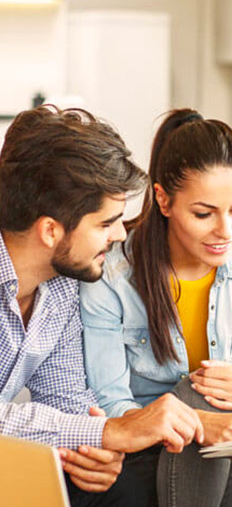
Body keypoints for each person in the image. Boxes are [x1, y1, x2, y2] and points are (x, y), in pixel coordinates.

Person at [0, 105, 204, 507]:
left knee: (126, 480)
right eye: (105, 222)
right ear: (50, 230)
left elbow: (66, 396)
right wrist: (107, 433)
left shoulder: (58, 287)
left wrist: (93, 452)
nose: (118, 235)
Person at [80, 108, 232, 507]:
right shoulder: (114, 274)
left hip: (214, 450)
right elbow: (110, 405)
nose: (226, 232)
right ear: (163, 199)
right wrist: (199, 421)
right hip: (138, 448)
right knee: (195, 395)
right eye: (204, 214)